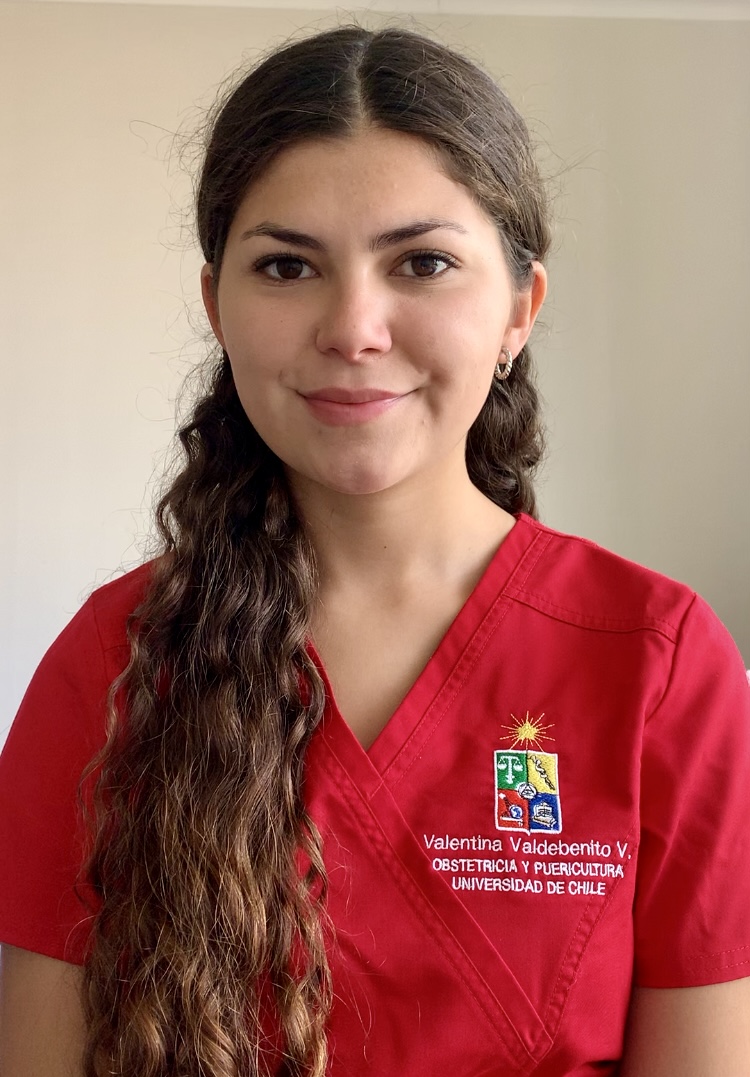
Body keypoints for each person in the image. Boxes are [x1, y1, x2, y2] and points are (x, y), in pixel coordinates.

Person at [0, 23, 749, 1077]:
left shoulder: (658, 660)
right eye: (288, 265)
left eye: (423, 263)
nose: (354, 327)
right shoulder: (113, 661)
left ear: (519, 310)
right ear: (218, 306)